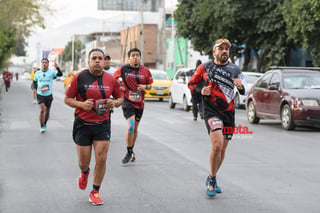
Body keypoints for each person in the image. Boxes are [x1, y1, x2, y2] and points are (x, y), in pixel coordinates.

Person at [188, 38, 248, 198]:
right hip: (211, 111)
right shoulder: (205, 67)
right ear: (214, 51)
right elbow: (192, 84)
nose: (224, 51)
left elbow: (244, 91)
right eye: (220, 48)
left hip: (228, 113)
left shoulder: (235, 69)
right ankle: (213, 179)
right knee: (217, 145)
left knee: (222, 149)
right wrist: (201, 90)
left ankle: (211, 176)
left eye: (227, 49)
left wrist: (241, 86)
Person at [64, 48, 123, 206]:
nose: (97, 60)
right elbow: (67, 99)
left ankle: (95, 191)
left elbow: (120, 98)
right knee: (84, 162)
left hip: (102, 124)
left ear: (104, 62)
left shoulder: (111, 80)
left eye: (100, 58)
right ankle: (84, 172)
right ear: (88, 62)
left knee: (102, 157)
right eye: (94, 58)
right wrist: (81, 105)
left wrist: (115, 103)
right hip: (82, 124)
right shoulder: (79, 77)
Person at [113, 48, 153, 165]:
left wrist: (145, 87)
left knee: (135, 128)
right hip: (127, 100)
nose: (135, 57)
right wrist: (120, 86)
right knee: (131, 125)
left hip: (140, 102)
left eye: (137, 55)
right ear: (129, 58)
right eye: (133, 55)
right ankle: (128, 151)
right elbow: (113, 79)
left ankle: (131, 150)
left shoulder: (145, 70)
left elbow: (150, 85)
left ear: (140, 57)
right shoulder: (123, 69)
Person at [33, 58, 62, 133]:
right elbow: (34, 82)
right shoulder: (37, 73)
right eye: (43, 62)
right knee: (42, 110)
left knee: (47, 111)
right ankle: (41, 126)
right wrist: (35, 89)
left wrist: (57, 67)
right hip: (40, 94)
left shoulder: (51, 73)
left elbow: (60, 74)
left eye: (46, 62)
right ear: (41, 64)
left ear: (48, 64)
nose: (44, 64)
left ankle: (45, 123)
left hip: (48, 95)